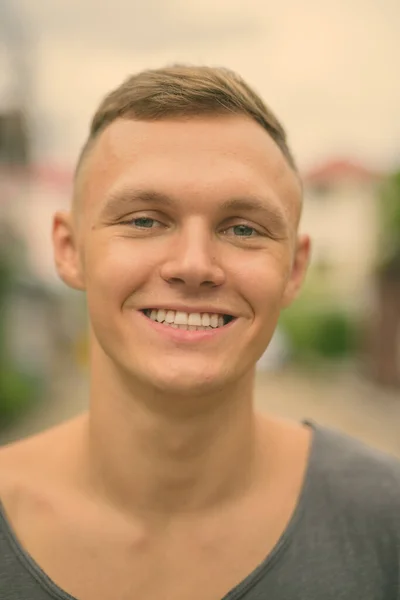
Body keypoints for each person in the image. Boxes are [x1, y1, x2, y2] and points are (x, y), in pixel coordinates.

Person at [0, 65, 399, 600]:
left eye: (242, 228)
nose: (193, 264)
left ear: (296, 269)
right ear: (69, 250)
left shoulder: (385, 522)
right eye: (144, 220)